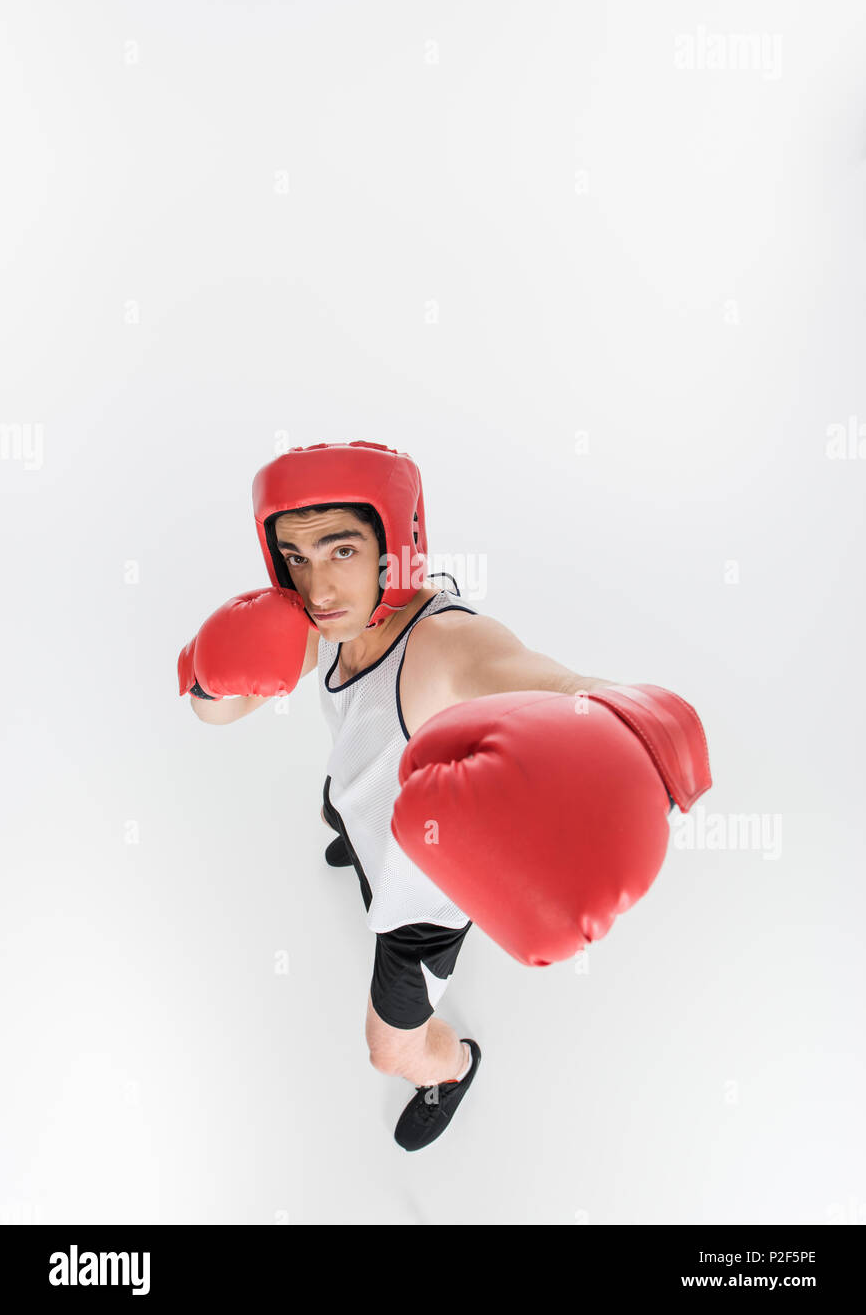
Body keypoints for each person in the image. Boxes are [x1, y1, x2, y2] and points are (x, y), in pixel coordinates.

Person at [178, 441, 709, 1151]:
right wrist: (212, 676)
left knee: (389, 1050)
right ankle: (351, 834)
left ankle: (452, 1070)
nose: (319, 587)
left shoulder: (445, 649)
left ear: (396, 545)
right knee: (337, 805)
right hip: (361, 795)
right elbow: (215, 712)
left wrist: (641, 725)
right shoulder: (319, 619)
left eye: (341, 551)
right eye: (296, 558)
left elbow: (561, 687)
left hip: (417, 900)